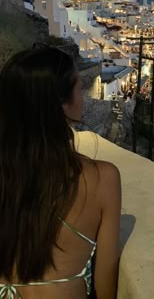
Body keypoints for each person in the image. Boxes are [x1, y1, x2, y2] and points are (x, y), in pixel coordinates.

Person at [0, 44, 121, 299]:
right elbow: (106, 284)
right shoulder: (102, 179)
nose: (83, 96)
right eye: (79, 88)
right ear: (62, 105)